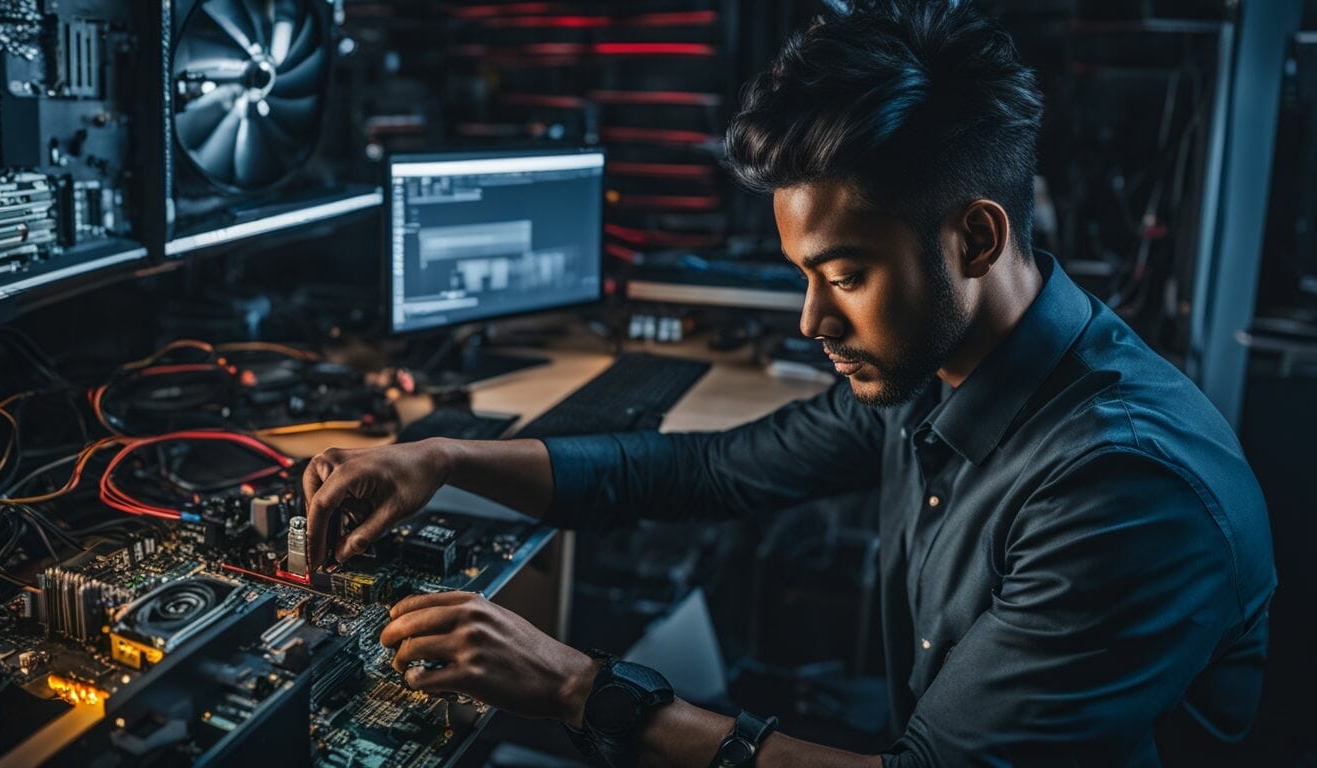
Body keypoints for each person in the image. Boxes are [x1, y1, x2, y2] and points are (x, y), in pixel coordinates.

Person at [302, 2, 1275, 765]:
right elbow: (714, 471)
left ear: (976, 238)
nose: (812, 323)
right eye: (803, 277)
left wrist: (575, 688)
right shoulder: (942, 368)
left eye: (845, 276)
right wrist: (444, 459)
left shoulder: (1124, 491)